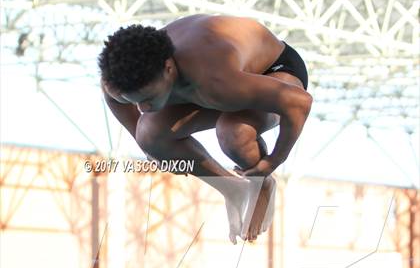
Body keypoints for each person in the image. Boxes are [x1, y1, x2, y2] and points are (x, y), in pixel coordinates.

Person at [98, 15, 312, 243]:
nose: (143, 108)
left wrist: (273, 161)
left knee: (234, 133)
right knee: (148, 134)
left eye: (149, 98)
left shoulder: (215, 80)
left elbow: (299, 102)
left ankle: (262, 184)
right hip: (218, 83)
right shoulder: (116, 82)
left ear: (168, 69)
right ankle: (232, 189)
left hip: (274, 69)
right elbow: (118, 104)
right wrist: (152, 152)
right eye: (135, 100)